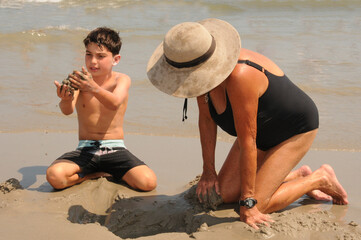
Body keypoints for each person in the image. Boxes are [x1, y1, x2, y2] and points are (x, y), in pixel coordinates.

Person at [147, 18, 348, 228]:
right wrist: (208, 170)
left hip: (293, 128)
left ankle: (319, 178)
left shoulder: (241, 76)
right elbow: (206, 120)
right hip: (259, 131)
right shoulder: (201, 79)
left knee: (259, 204)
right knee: (223, 194)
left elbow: (248, 142)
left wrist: (249, 202)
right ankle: (299, 175)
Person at [47, 27, 157, 192]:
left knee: (148, 182)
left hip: (115, 148)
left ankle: (114, 170)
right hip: (86, 149)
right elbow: (67, 110)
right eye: (88, 54)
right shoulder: (79, 79)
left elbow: (114, 103)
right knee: (54, 176)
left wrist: (92, 87)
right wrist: (65, 98)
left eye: (101, 56)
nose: (93, 62)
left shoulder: (122, 79)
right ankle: (89, 175)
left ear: (115, 59)